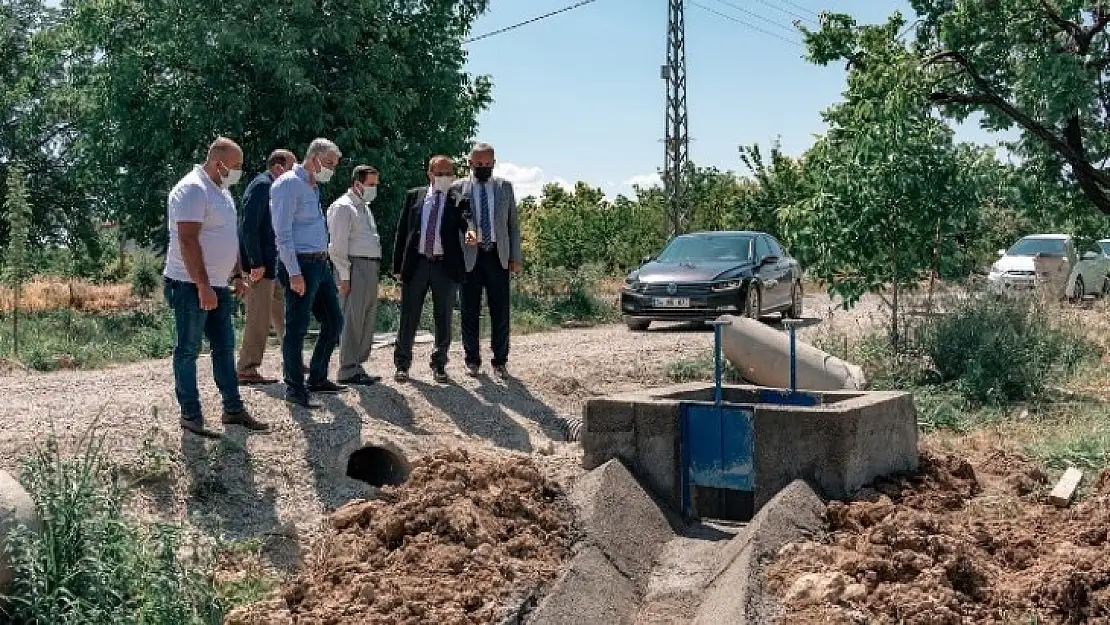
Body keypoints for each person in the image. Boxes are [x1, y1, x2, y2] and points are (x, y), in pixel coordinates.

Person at [163, 136, 269, 434]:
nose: (238, 171)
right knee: (188, 350)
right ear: (217, 161)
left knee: (224, 347)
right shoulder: (192, 189)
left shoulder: (222, 191)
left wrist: (236, 274)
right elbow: (187, 240)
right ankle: (191, 414)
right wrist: (203, 286)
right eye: (235, 166)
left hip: (218, 285)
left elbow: (228, 238)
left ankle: (233, 409)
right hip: (189, 285)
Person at [271, 138, 346, 409]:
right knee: (297, 327)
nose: (331, 170)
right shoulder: (288, 184)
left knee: (334, 321)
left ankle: (317, 377)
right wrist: (293, 273)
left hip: (320, 263)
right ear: (313, 158)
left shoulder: (312, 186)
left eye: (334, 166)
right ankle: (294, 388)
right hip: (300, 265)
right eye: (328, 164)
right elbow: (283, 233)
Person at [392, 155, 471, 383]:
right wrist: (398, 266)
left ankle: (439, 364)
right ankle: (402, 364)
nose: (445, 178)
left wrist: (470, 231)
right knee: (409, 316)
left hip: (445, 266)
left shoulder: (458, 199)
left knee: (443, 316)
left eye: (449, 173)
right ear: (430, 174)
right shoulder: (414, 196)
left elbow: (467, 220)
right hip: (416, 264)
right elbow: (402, 232)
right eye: (440, 173)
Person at [456, 142, 522, 378]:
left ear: (494, 163)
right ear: (470, 163)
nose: (483, 167)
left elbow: (513, 226)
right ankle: (472, 360)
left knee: (500, 311)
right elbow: (453, 224)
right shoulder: (458, 188)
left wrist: (515, 256)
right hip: (469, 257)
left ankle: (500, 360)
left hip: (497, 255)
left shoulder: (505, 187)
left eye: (487, 164)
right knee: (469, 310)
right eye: (478, 164)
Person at [236, 148, 296, 385]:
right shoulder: (262, 186)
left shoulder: (275, 188)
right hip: (260, 267)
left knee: (284, 314)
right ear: (278, 167)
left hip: (274, 264)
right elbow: (248, 227)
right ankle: (246, 368)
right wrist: (255, 263)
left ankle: (291, 359)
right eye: (292, 167)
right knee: (258, 318)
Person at [327, 165, 383, 386]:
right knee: (353, 316)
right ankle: (347, 368)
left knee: (366, 317)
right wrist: (344, 275)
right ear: (357, 184)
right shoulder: (344, 207)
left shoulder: (364, 207)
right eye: (371, 184)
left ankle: (358, 364)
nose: (373, 189)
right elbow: (337, 246)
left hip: (369, 266)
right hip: (354, 266)